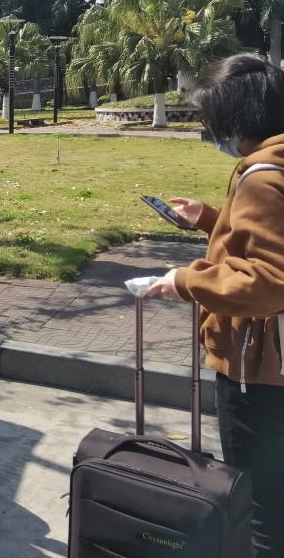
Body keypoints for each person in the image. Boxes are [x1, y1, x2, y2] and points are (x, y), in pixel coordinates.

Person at [145, 54, 284, 558]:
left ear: (238, 119)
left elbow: (270, 280)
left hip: (259, 370)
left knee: (260, 504)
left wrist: (186, 280)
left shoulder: (263, 177)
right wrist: (209, 218)